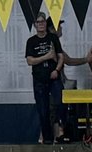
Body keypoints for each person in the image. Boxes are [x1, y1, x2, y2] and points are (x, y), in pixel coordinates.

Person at [25, 13, 64, 145]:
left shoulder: (53, 38)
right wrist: (46, 56)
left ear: (45, 24)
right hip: (39, 80)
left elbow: (61, 57)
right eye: (38, 22)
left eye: (43, 21)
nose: (41, 24)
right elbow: (30, 61)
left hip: (54, 78)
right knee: (42, 111)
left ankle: (60, 132)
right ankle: (46, 139)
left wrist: (57, 70)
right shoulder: (31, 41)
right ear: (35, 25)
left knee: (59, 103)